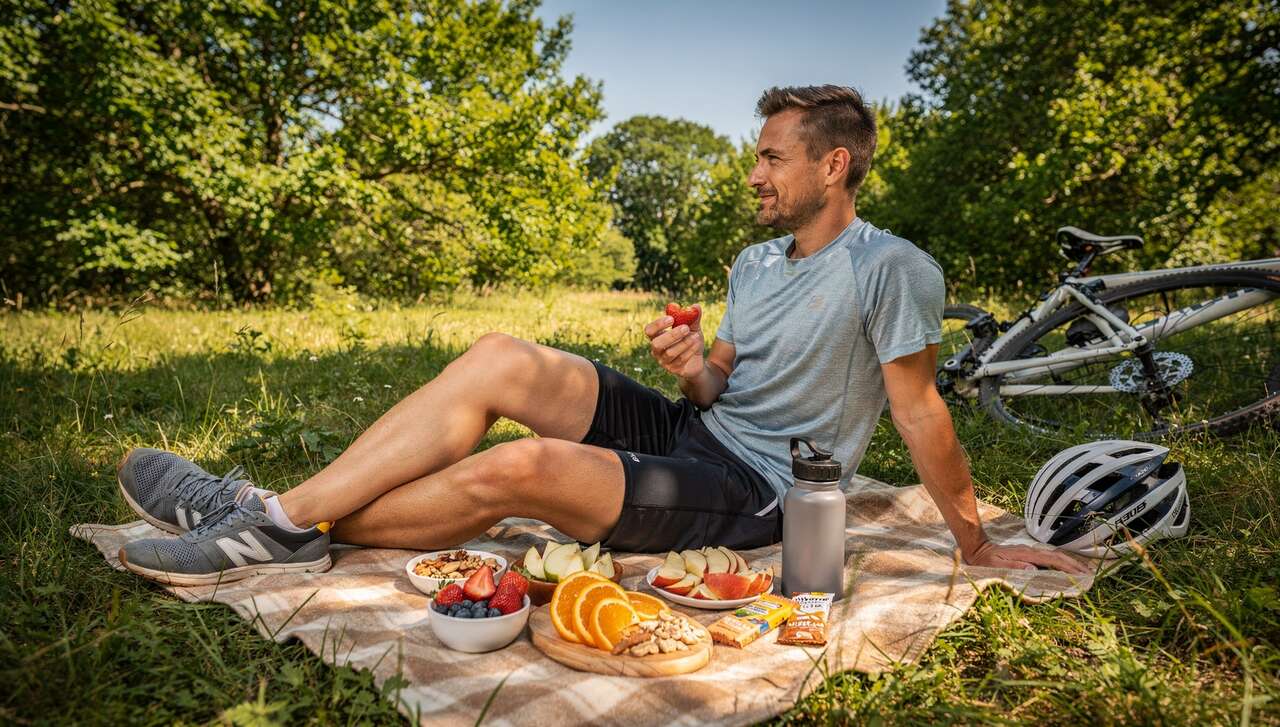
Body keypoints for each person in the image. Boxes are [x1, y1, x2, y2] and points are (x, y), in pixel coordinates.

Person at [115, 84, 1089, 587]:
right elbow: (713, 388)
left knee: (523, 470)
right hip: (691, 435)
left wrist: (972, 543)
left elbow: (918, 413)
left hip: (761, 493)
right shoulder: (753, 265)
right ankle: (273, 516)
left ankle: (266, 522)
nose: (751, 173)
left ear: (832, 165)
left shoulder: (891, 270)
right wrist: (689, 367)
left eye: (768, 157)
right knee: (500, 354)